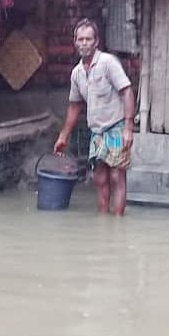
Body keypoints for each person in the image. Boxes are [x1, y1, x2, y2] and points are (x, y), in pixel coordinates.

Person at [53, 19, 136, 215]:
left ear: (96, 41)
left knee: (117, 177)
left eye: (88, 39)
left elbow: (127, 91)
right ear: (75, 42)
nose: (84, 43)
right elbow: (74, 105)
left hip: (116, 126)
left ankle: (118, 223)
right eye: (80, 39)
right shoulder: (77, 73)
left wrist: (128, 128)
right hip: (97, 131)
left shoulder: (108, 63)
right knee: (99, 179)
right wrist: (63, 136)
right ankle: (103, 223)